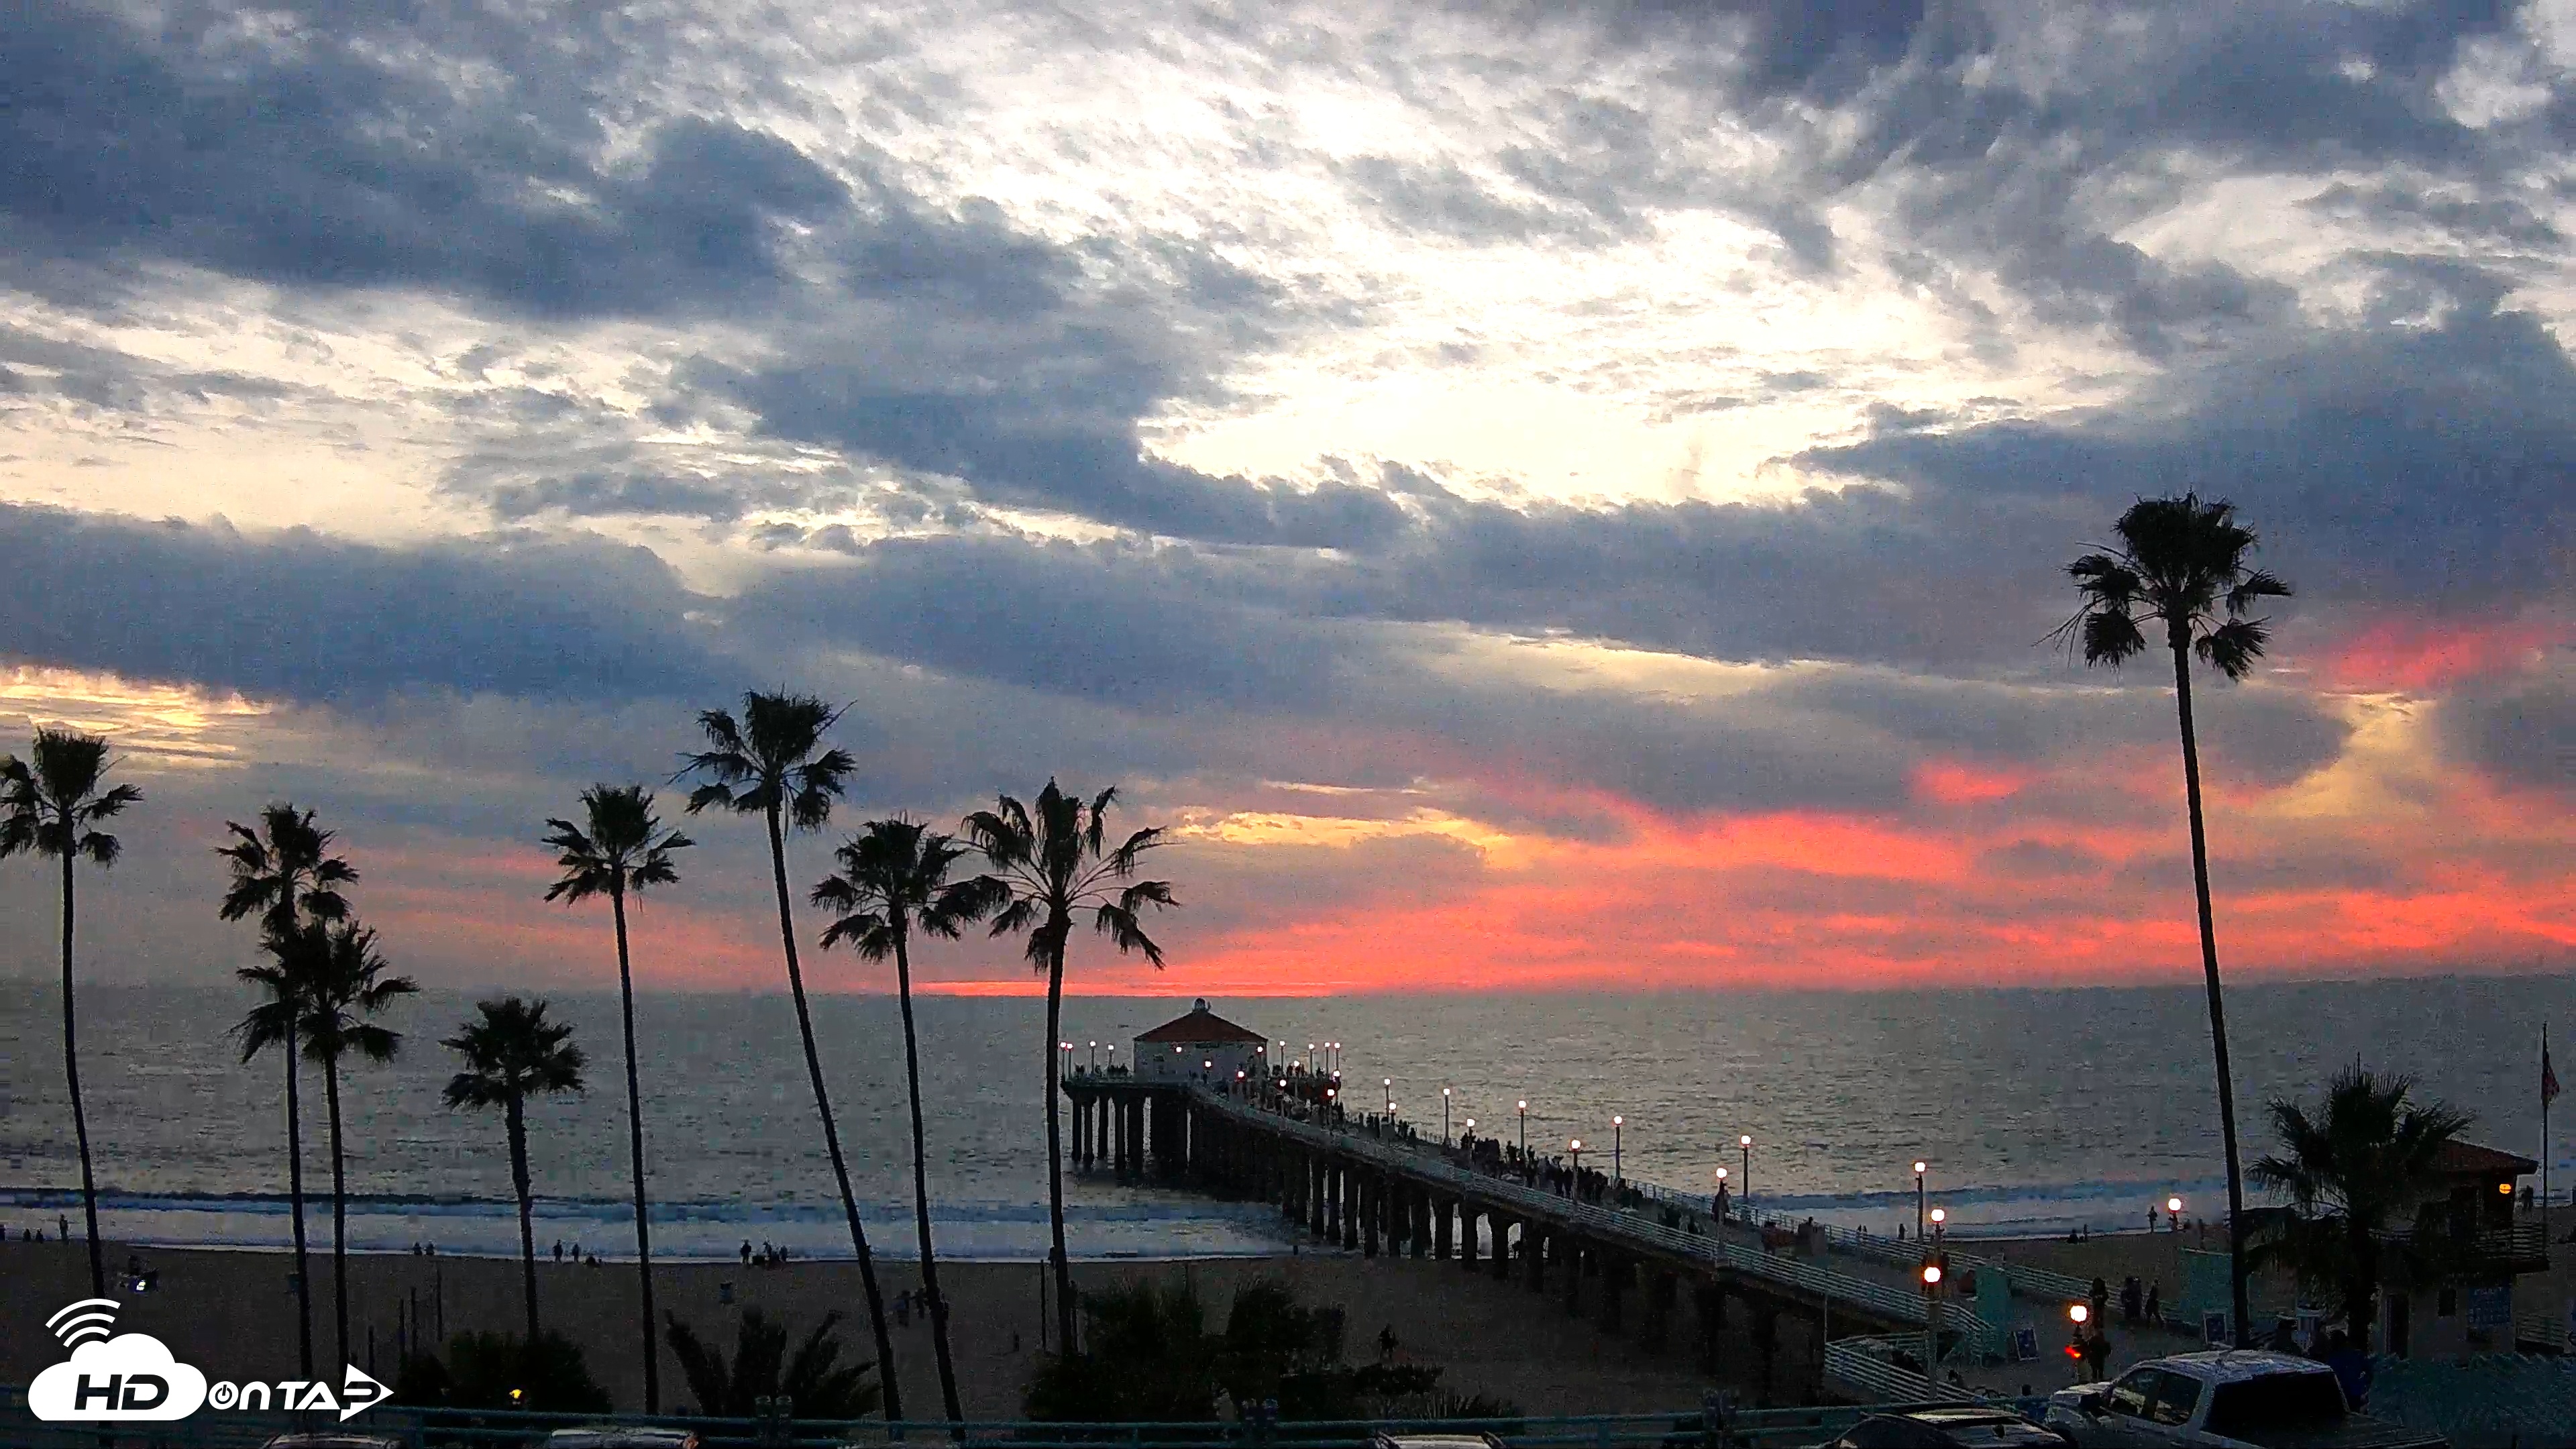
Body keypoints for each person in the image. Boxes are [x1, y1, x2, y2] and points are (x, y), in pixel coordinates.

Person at [2325, 1329, 2372, 1407]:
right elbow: (2370, 1373)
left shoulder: (2331, 1359)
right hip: (2355, 1394)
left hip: (2340, 1396)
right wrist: (2363, 1385)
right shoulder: (2357, 1355)